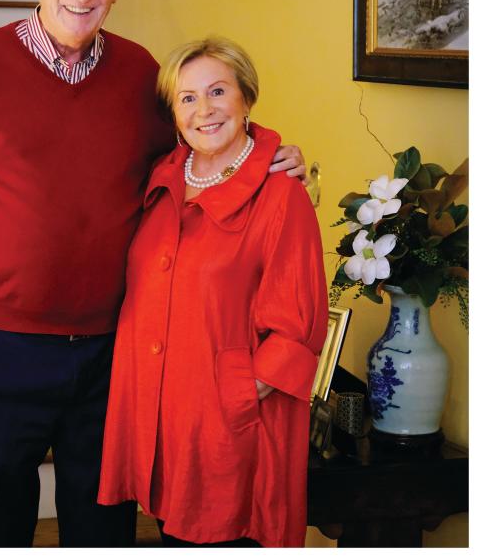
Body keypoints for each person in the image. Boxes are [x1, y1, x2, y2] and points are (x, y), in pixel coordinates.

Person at [0, 0, 306, 547]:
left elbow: (197, 150)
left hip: (111, 357)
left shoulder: (140, 74)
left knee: (103, 533)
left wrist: (269, 154)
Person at [97, 38, 328, 548]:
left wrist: (239, 394)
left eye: (218, 91)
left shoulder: (281, 191)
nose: (204, 110)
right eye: (187, 98)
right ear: (174, 114)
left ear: (247, 98)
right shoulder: (160, 179)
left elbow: (297, 328)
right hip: (163, 417)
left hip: (230, 431)